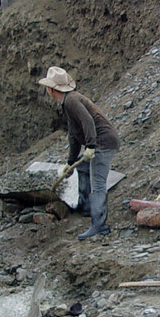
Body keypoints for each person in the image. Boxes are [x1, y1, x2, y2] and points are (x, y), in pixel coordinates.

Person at [37, 66, 119, 240]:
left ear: (51, 89)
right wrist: (70, 162)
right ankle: (86, 207)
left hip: (104, 142)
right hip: (99, 141)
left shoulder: (72, 100)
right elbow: (73, 135)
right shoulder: (67, 103)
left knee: (98, 183)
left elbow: (87, 121)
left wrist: (90, 146)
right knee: (82, 167)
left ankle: (99, 225)